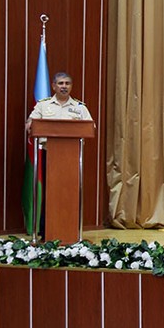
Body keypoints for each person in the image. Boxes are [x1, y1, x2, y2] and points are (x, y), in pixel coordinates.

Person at [25, 72, 93, 238]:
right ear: (54, 86)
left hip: (72, 157)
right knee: (50, 193)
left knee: (70, 193)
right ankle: (46, 231)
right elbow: (31, 124)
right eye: (61, 83)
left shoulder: (79, 107)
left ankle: (71, 231)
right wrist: (30, 124)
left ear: (71, 86)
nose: (64, 86)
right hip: (49, 155)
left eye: (67, 83)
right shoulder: (43, 105)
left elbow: (91, 127)